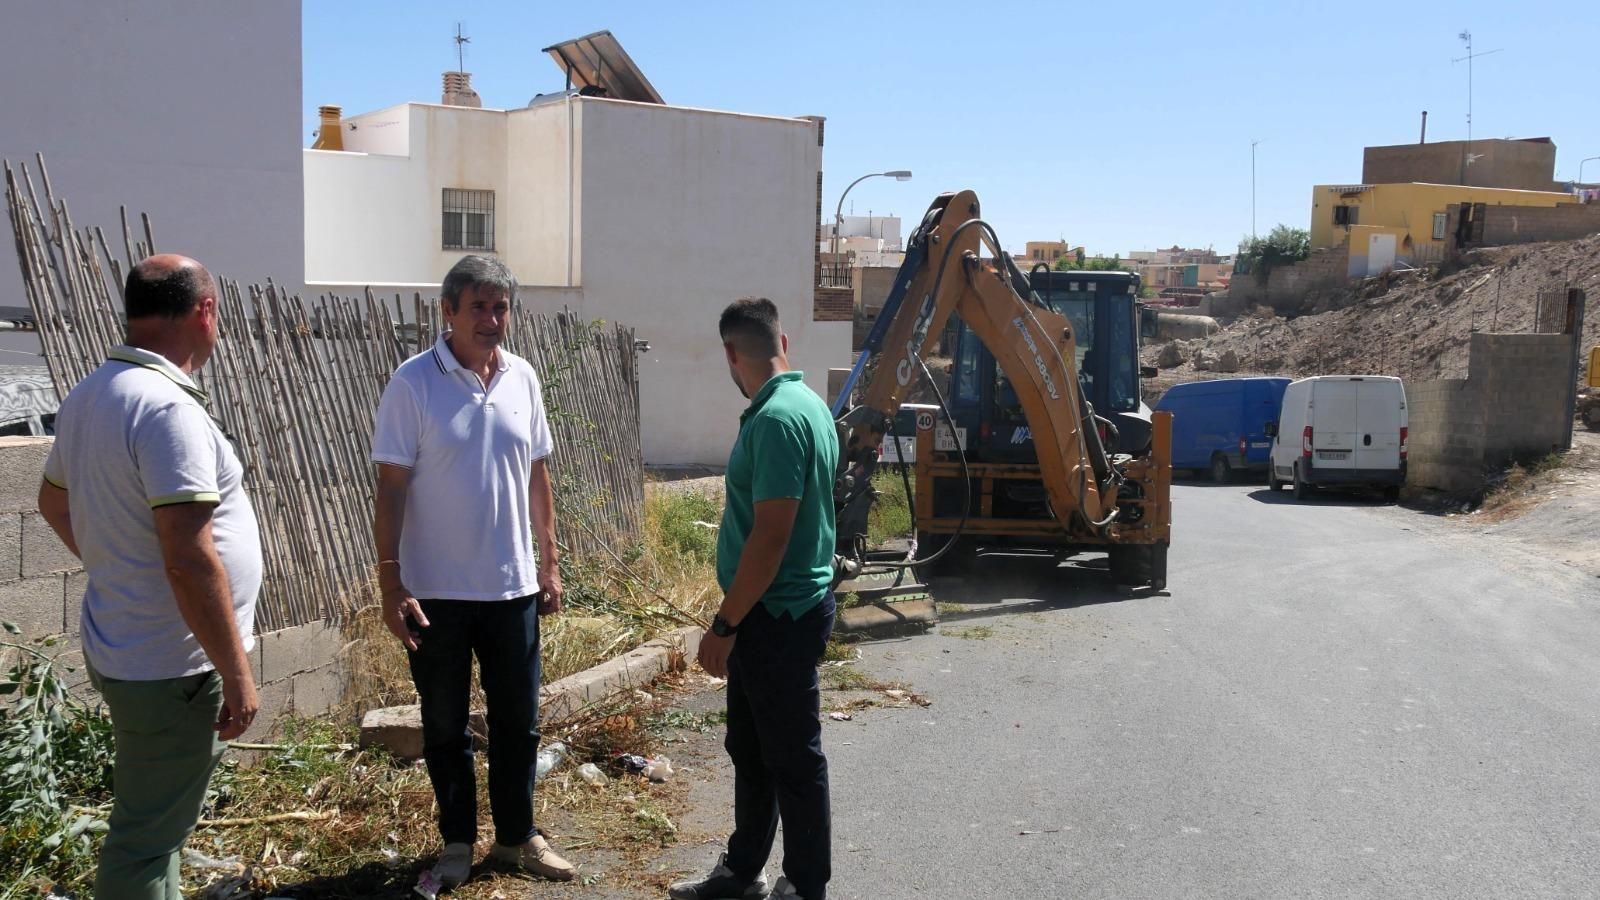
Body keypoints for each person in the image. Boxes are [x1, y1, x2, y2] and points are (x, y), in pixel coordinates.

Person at [37, 254, 263, 900]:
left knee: (158, 830)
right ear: (204, 312)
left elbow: (55, 503)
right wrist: (238, 673)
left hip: (132, 650)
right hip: (172, 668)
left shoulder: (91, 394)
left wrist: (116, 560)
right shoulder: (166, 410)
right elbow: (189, 558)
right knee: (143, 840)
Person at [370, 255, 573, 888]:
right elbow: (391, 485)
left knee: (519, 722)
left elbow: (537, 472)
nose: (491, 320)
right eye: (478, 306)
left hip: (512, 586)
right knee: (444, 725)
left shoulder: (523, 379)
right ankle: (457, 842)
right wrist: (390, 581)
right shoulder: (413, 383)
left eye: (501, 307)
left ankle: (517, 837)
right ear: (448, 311)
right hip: (436, 593)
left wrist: (550, 560)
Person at [672, 298, 840, 900]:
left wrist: (724, 624)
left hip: (776, 615)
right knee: (751, 747)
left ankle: (805, 884)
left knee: (791, 756)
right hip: (774, 611)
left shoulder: (774, 421)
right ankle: (744, 870)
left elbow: (771, 537)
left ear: (730, 353)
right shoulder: (808, 404)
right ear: (783, 341)